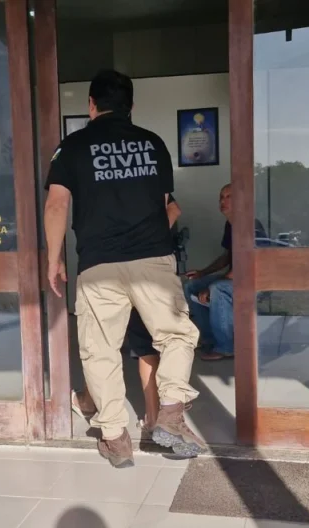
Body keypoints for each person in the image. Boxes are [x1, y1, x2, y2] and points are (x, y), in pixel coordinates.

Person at [44, 70, 204, 468]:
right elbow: (167, 204)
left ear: (91, 105)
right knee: (178, 335)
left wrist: (53, 258)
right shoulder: (153, 143)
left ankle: (115, 437)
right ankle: (169, 409)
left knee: (100, 351)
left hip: (99, 264)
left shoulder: (73, 147)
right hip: (153, 258)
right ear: (131, 107)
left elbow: (56, 206)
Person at [72, 195, 182, 438]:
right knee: (146, 344)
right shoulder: (141, 178)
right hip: (146, 269)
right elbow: (173, 209)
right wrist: (150, 241)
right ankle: (153, 418)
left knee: (102, 344)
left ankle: (98, 411)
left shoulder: (96, 182)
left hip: (106, 271)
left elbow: (173, 209)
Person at [184, 184, 266, 360]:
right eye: (221, 197)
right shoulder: (230, 224)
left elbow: (246, 264)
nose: (223, 201)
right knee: (191, 286)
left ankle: (226, 347)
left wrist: (213, 283)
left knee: (218, 289)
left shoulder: (249, 224)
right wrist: (202, 273)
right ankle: (210, 340)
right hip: (235, 279)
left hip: (255, 282)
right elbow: (227, 257)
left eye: (229, 197)